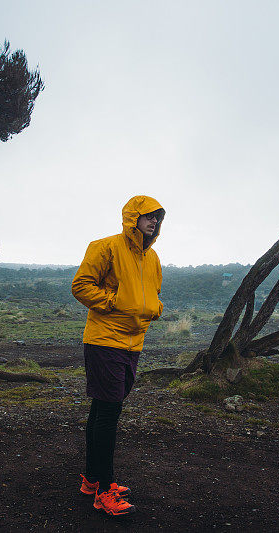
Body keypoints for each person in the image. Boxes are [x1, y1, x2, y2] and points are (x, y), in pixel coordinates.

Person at [71, 195, 165, 517]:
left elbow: (153, 293)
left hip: (133, 344)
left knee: (102, 409)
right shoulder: (105, 246)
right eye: (148, 216)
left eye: (158, 217)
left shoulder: (152, 258)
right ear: (132, 217)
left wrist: (155, 307)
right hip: (104, 340)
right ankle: (106, 491)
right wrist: (113, 302)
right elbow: (81, 286)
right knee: (109, 415)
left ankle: (91, 479)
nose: (154, 222)